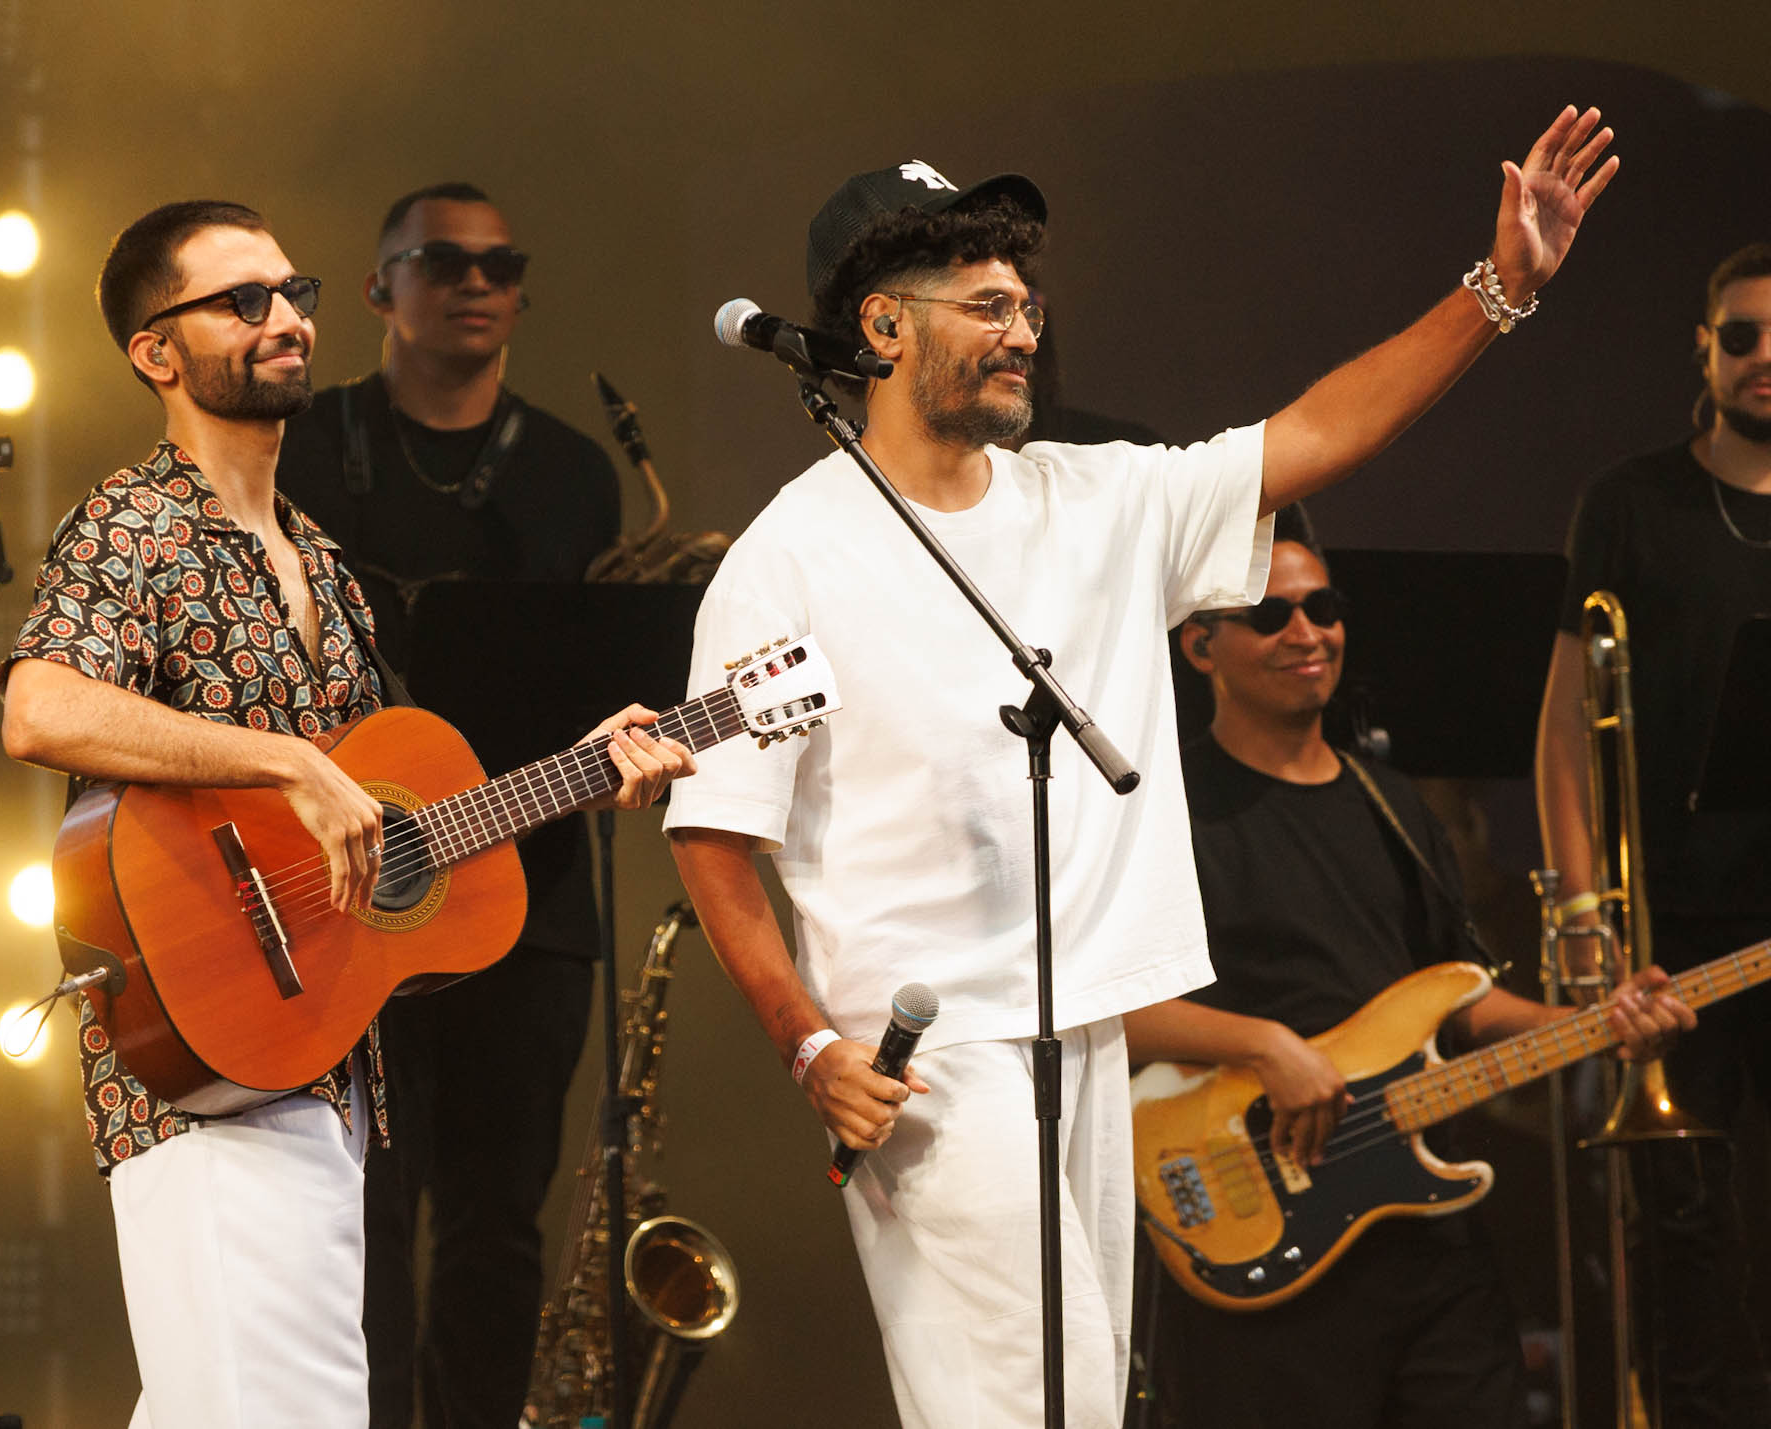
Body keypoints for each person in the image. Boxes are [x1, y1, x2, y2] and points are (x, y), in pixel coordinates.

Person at [664, 107, 1620, 1429]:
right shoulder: (792, 556)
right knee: (1013, 1405)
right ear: (883, 328)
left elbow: (1318, 434)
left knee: (1085, 1404)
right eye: (986, 302)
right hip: (933, 1057)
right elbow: (713, 825)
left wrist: (1499, 289)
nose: (1022, 330)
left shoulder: (1095, 498)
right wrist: (806, 1037)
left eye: (1028, 302)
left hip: (1087, 1029)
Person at [0, 199, 689, 1429]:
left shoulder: (320, 558)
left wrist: (577, 765)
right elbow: (42, 708)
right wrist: (284, 764)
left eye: (292, 292)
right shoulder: (134, 521)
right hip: (194, 1047)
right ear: (156, 352)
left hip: (322, 1056)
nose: (285, 318)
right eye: (242, 300)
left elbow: (402, 820)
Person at [1121, 520, 1690, 1429]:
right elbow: (1102, 1010)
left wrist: (1597, 1024)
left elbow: (1457, 999)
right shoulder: (1163, 817)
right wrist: (1266, 1046)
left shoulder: (1394, 804)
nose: (1308, 633)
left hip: (1426, 1243)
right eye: (1271, 615)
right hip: (1262, 1227)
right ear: (1200, 646)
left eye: (1325, 608)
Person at [275, 181, 622, 1429]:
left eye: (500, 264)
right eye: (443, 262)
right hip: (344, 891)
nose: (476, 283)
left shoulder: (581, 476)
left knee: (493, 1223)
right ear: (379, 289)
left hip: (526, 900)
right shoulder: (299, 449)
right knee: (356, 1211)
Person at [1535, 240, 1771, 1427]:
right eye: (1739, 336)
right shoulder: (1630, 503)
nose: (1763, 358)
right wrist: (1583, 913)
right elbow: (1567, 728)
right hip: (1674, 939)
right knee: (1690, 1252)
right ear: (1703, 347)